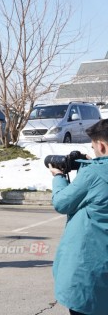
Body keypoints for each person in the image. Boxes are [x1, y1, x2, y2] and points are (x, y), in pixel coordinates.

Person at [48, 119, 108, 315]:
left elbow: (62, 203)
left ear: (101, 145)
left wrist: (58, 177)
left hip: (91, 274)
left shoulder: (94, 173)